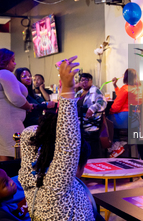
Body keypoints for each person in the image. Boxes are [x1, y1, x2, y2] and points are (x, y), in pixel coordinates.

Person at [18, 56, 103, 221]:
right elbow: (68, 144)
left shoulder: (29, 175)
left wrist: (49, 130)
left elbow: (29, 133)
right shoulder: (56, 186)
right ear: (74, 165)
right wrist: (67, 90)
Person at [0, 49, 33, 162]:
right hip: (7, 121)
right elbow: (16, 98)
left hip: (2, 120)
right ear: (4, 61)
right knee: (21, 153)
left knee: (5, 155)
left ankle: (2, 179)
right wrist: (28, 106)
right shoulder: (5, 74)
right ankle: (17, 179)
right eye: (13, 61)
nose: (15, 63)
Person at [108, 68, 142, 157]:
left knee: (105, 120)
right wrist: (115, 85)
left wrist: (110, 111)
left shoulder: (125, 88)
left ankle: (115, 145)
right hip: (135, 119)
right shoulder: (139, 89)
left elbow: (116, 106)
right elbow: (122, 94)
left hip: (124, 119)